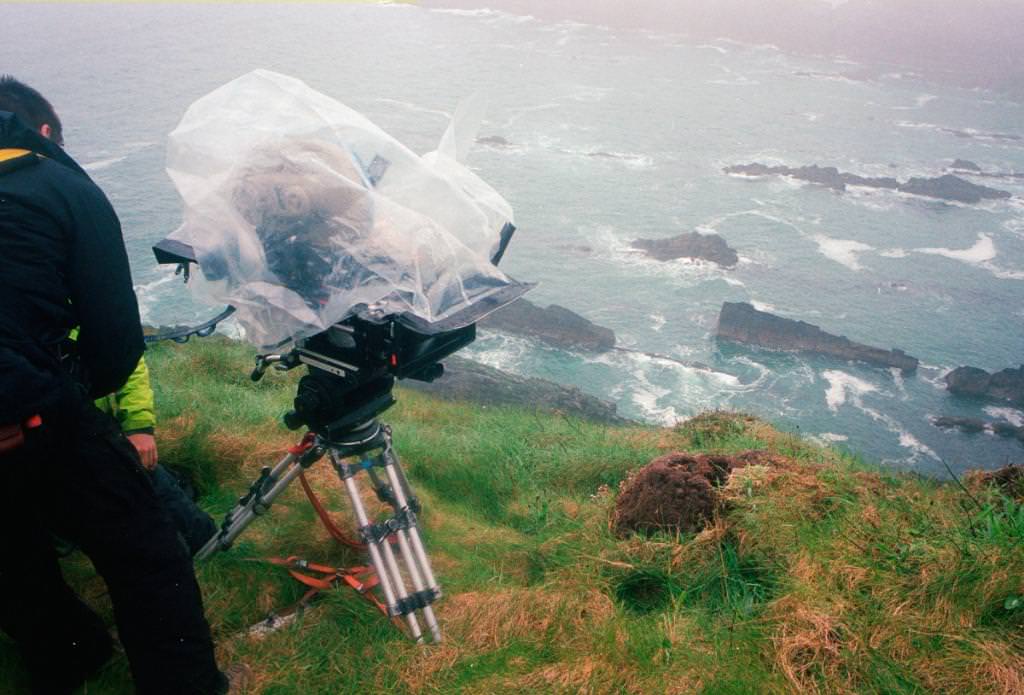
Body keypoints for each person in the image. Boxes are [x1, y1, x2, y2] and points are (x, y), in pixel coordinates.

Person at [0, 76, 233, 693]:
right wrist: (74, 395)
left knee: (12, 552)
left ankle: (71, 656)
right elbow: (115, 334)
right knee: (145, 552)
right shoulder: (58, 185)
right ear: (43, 131)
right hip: (28, 403)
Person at [92, 350, 217, 555]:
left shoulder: (85, 320)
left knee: (148, 475)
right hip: (50, 445)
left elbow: (128, 358)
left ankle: (207, 544)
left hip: (99, 427)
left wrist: (138, 427)